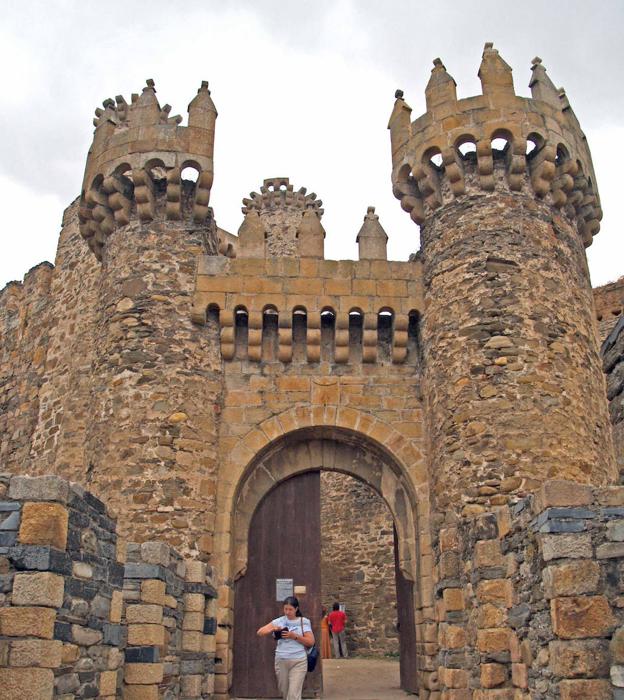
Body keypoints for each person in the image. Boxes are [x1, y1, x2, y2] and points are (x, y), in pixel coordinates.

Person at [257, 596, 315, 700]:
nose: (287, 612)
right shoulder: (279, 621)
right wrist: (273, 629)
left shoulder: (304, 622)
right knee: (284, 691)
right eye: (285, 609)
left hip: (299, 661)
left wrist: (294, 636)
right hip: (281, 660)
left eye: (290, 609)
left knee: (293, 695)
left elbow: (311, 642)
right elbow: (260, 632)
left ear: (296, 609)